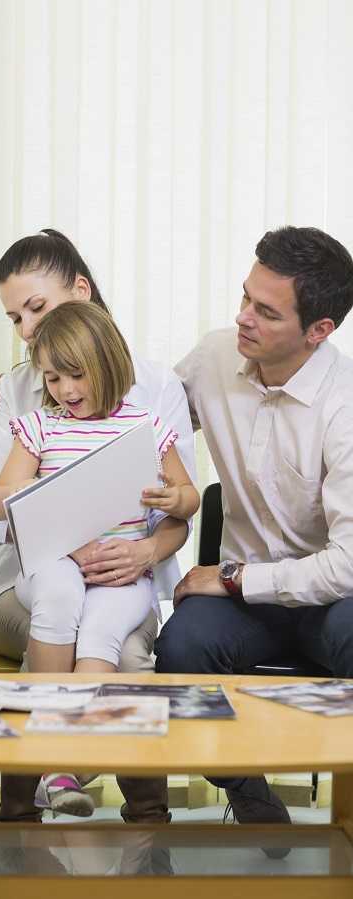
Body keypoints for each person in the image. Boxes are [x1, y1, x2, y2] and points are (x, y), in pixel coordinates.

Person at [0, 228, 196, 825]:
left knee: (117, 644)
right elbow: (7, 510)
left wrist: (144, 552)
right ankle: (30, 803)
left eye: (38, 308)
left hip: (125, 575)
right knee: (68, 613)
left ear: (82, 290)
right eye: (14, 317)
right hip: (28, 576)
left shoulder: (156, 394)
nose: (26, 331)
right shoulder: (22, 391)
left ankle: (133, 815)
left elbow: (179, 511)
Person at [154, 225, 353, 833]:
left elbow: (347, 564)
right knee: (181, 650)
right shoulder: (216, 355)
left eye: (265, 312)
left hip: (334, 596)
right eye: (245, 298)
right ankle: (245, 785)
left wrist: (236, 577)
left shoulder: (345, 406)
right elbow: (137, 420)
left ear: (319, 331)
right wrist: (27, 398)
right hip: (245, 607)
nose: (243, 319)